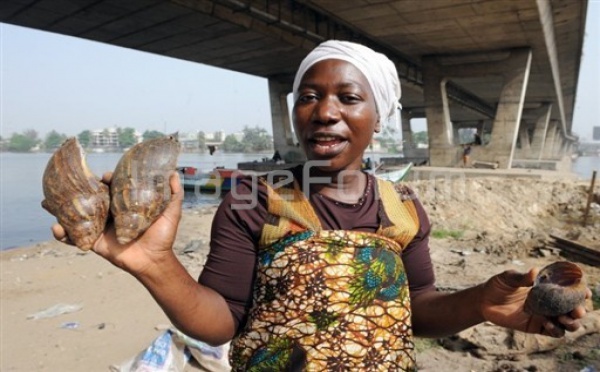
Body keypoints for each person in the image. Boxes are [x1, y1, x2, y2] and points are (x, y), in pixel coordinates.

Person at [52, 40, 590, 371]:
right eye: (309, 96)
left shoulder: (402, 207)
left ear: (378, 117)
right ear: (294, 113)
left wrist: (478, 303)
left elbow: (415, 309)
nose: (324, 112)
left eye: (348, 98)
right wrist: (156, 265)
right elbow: (221, 324)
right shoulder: (250, 198)